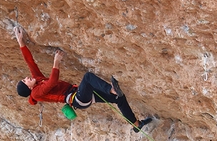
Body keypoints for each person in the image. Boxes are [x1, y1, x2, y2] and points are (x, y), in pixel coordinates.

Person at [14, 26, 152, 133]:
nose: (27, 77)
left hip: (80, 95)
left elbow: (30, 62)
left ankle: (136, 125)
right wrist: (56, 62)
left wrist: (20, 42)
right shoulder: (36, 93)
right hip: (77, 98)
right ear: (29, 88)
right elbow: (52, 82)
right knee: (87, 77)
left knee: (119, 99)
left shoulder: (37, 80)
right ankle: (111, 89)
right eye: (26, 80)